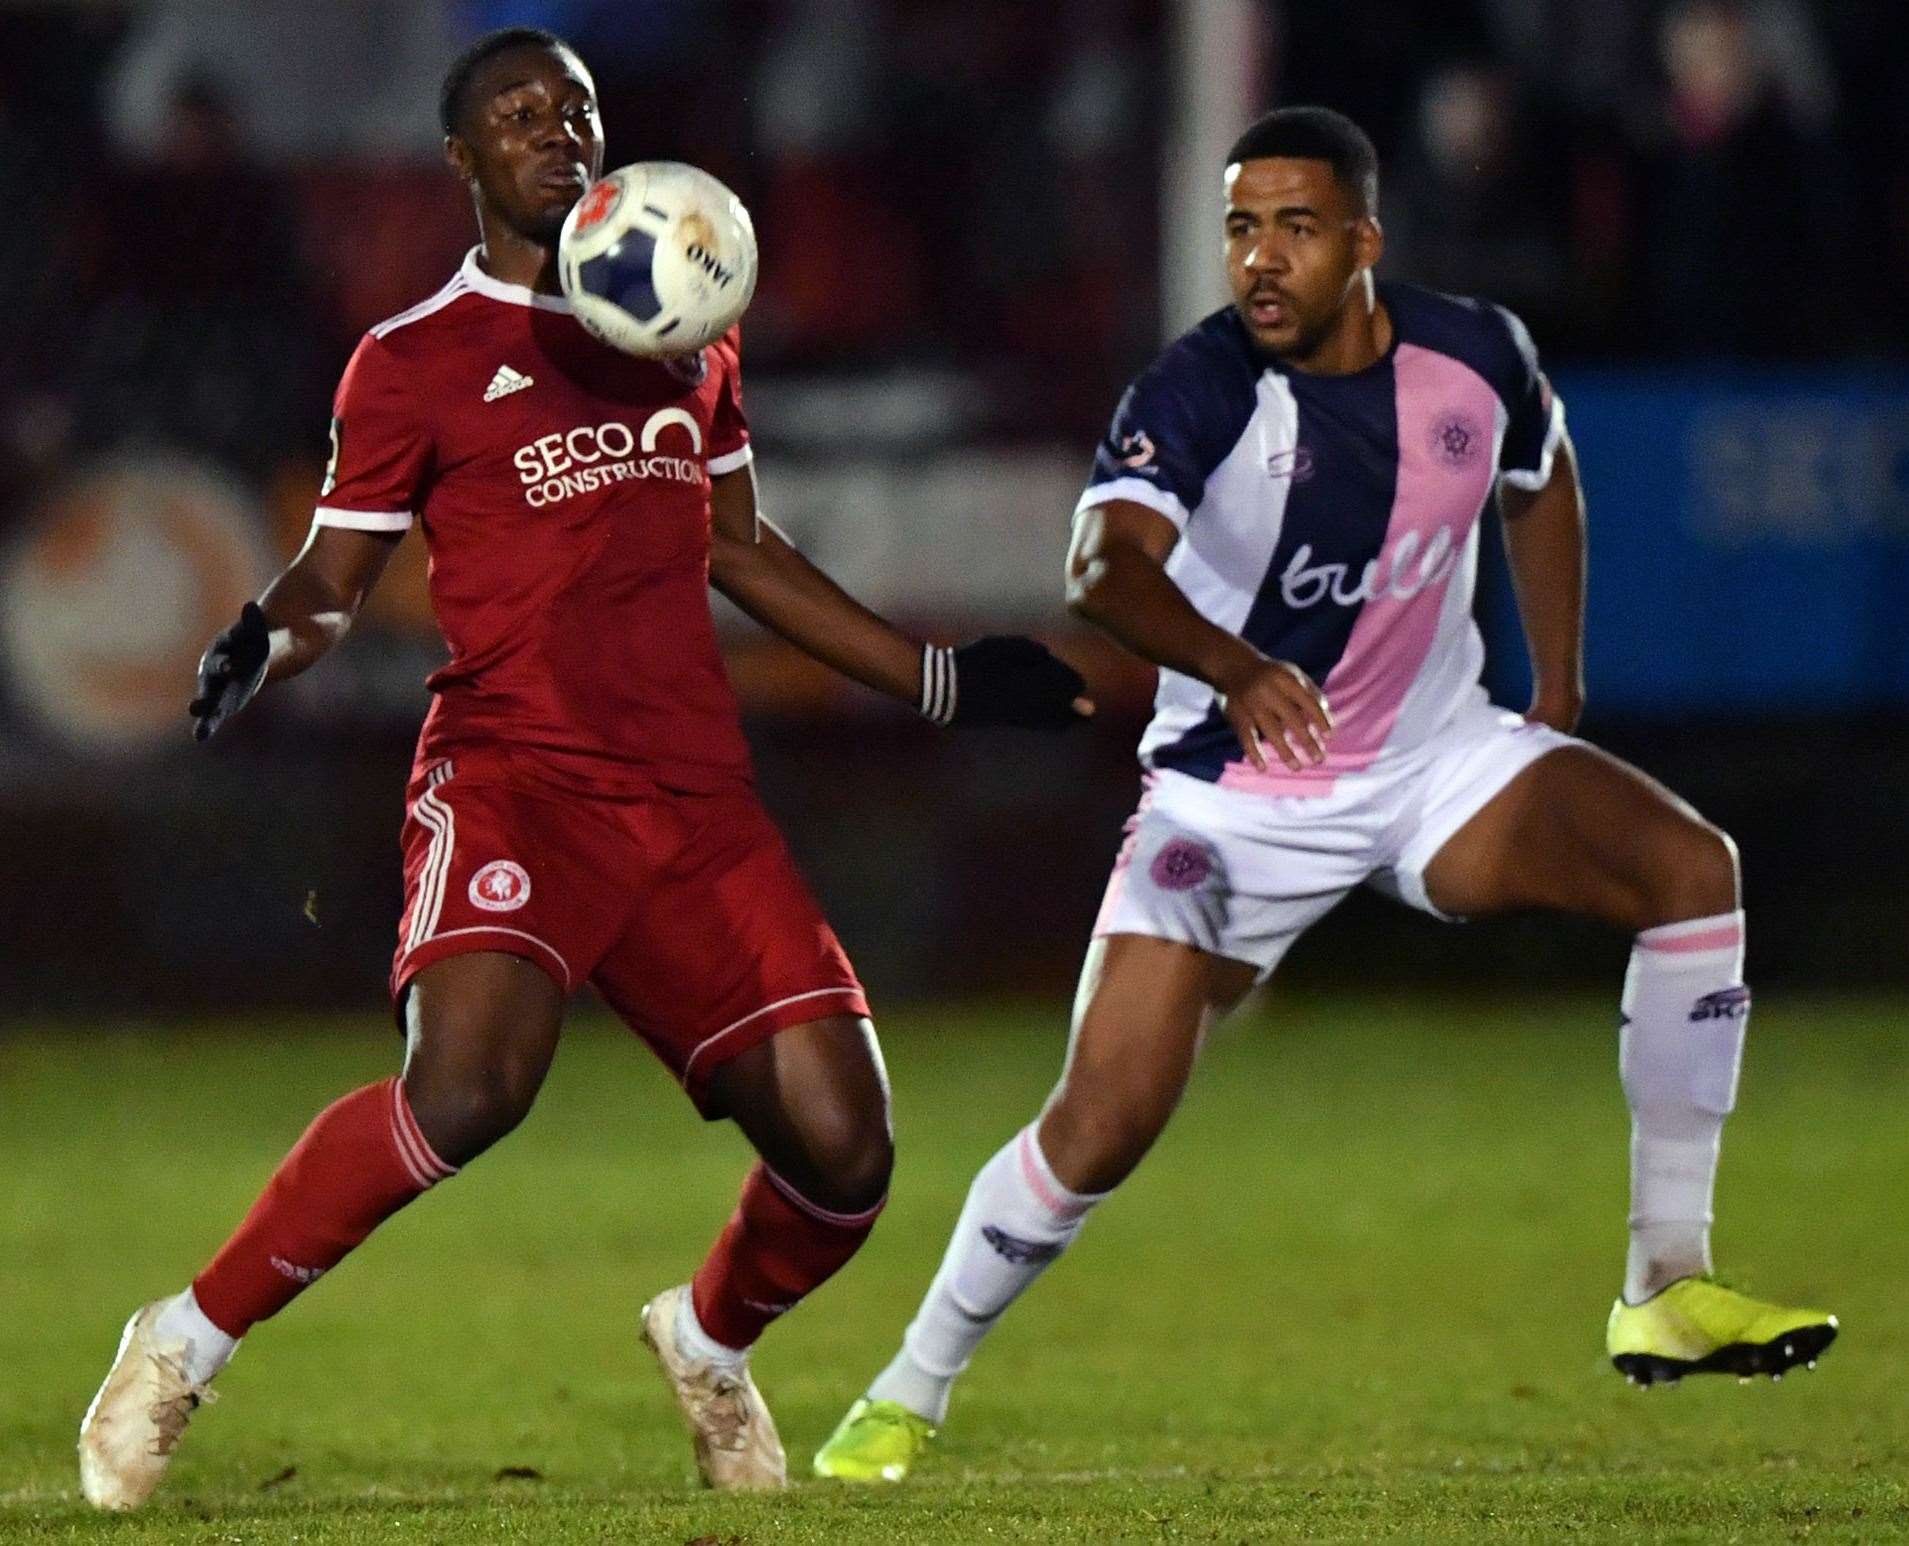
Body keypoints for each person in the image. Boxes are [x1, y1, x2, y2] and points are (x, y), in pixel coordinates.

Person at [77, 26, 1087, 1512]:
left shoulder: (687, 320)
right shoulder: (413, 359)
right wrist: (260, 637)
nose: (556, 131)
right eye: (517, 116)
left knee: (845, 1146)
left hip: (690, 800)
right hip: (515, 776)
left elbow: (741, 547)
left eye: (576, 108)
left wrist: (942, 676)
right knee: (470, 1087)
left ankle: (710, 1333)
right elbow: (332, 581)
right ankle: (179, 1339)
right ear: (461, 160)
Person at [814, 105, 1836, 1484]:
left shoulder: (1476, 353)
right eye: (1241, 227)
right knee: (1102, 1117)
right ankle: (904, 1388)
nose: (1260, 259)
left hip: (1433, 765)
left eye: (1294, 227)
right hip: (1228, 805)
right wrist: (1235, 668)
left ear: (1364, 239)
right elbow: (1099, 573)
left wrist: (1560, 679)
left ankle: (1664, 1275)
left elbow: (1539, 476)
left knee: (1689, 869)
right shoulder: (1197, 388)